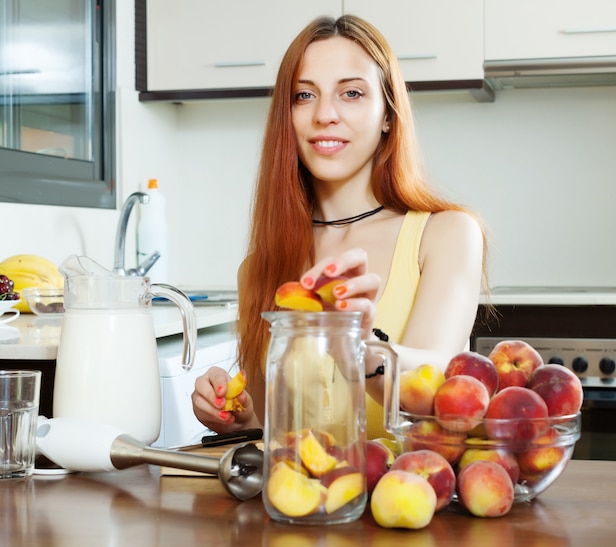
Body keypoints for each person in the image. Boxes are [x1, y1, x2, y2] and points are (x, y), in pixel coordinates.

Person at [192, 14, 489, 440]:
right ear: (286, 117)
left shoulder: (447, 234)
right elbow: (273, 432)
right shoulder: (258, 267)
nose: (325, 114)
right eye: (304, 95)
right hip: (304, 504)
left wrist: (357, 346)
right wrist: (240, 419)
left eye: (351, 93)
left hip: (411, 498)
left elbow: (437, 387)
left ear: (388, 114)